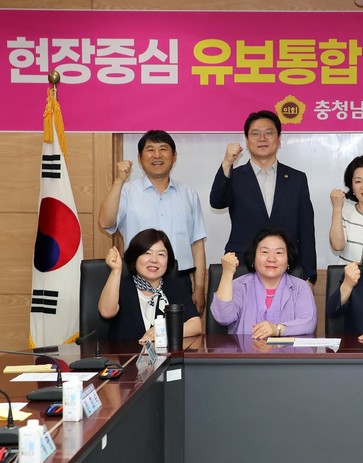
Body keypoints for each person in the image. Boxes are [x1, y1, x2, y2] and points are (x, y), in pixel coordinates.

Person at [98, 130, 207, 312]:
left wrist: (200, 287)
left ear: (174, 156)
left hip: (179, 280)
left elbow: (197, 244)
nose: (157, 155)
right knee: (137, 328)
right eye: (150, 150)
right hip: (136, 279)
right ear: (140, 158)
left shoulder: (189, 194)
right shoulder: (126, 192)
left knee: (180, 329)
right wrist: (119, 181)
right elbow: (105, 222)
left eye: (163, 149)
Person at [210, 110, 317, 285]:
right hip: (242, 266)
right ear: (246, 140)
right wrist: (227, 163)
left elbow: (306, 229)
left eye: (268, 133)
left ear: (279, 139)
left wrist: (309, 275)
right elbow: (217, 202)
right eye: (255, 134)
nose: (262, 138)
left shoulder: (297, 179)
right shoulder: (234, 176)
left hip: (288, 267)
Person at [98, 229, 202, 343]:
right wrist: (116, 271)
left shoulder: (175, 286)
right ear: (135, 257)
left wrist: (165, 331)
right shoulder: (120, 285)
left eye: (161, 254)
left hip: (166, 354)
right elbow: (106, 312)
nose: (154, 260)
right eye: (147, 253)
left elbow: (196, 325)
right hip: (126, 353)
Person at [211, 228, 316, 338]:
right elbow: (223, 317)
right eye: (265, 252)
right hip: (244, 348)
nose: (271, 259)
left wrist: (276, 329)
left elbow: (308, 323)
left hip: (287, 349)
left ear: (288, 259)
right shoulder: (239, 285)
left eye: (279, 253)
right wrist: (227, 273)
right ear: (253, 257)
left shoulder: (300, 287)